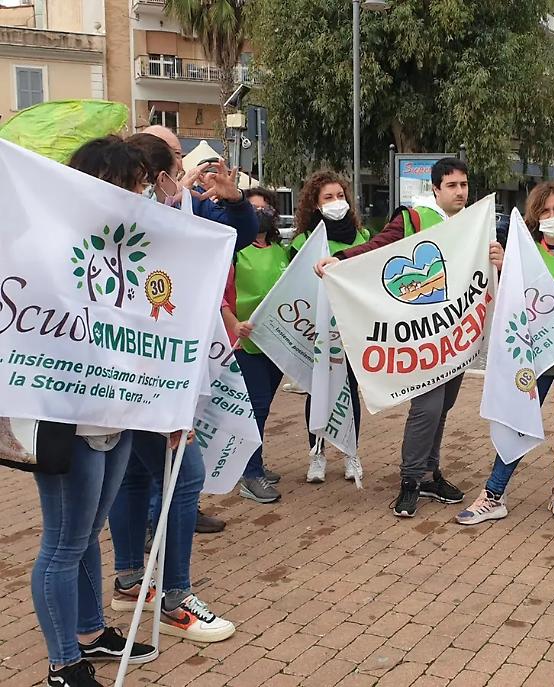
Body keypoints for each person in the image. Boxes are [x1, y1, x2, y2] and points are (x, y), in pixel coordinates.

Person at [31, 136, 157, 687]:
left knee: (88, 533)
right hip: (68, 422)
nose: (140, 195)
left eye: (143, 186)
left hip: (116, 415)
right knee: (63, 544)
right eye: (133, 185)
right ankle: (63, 663)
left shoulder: (130, 248)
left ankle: (90, 630)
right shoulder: (46, 245)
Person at [105, 132, 239, 644]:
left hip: (139, 381)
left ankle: (129, 579)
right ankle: (176, 598)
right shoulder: (140, 224)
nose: (182, 176)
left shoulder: (149, 220)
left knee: (136, 477)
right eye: (175, 167)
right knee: (184, 478)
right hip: (144, 382)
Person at [314, 158, 505, 517]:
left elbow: (488, 273)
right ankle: (411, 480)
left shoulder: (475, 225)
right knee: (426, 408)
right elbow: (379, 247)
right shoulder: (415, 219)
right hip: (422, 338)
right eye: (451, 185)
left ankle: (430, 474)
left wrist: (500, 259)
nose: (460, 192)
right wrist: (341, 258)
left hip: (456, 334)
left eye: (464, 185)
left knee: (443, 407)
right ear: (435, 189)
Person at [455, 182, 554, 525]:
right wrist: (503, 267)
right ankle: (494, 493)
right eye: (545, 211)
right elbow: (509, 300)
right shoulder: (525, 253)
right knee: (517, 420)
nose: (552, 216)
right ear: (535, 217)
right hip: (535, 356)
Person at [291, 171, 368, 484]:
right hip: (318, 330)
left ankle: (351, 452)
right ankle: (317, 454)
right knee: (318, 391)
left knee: (350, 390)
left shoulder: (362, 238)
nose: (337, 202)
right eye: (328, 197)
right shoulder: (304, 242)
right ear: (315, 204)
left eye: (340, 196)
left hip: (352, 329)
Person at [221, 186, 290, 503]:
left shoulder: (280, 251)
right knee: (255, 408)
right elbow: (220, 296)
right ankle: (250, 474)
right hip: (244, 344)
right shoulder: (232, 251)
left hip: (275, 344)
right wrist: (234, 325)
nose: (260, 215)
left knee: (262, 406)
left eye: (265, 209)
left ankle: (251, 462)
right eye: (253, 209)